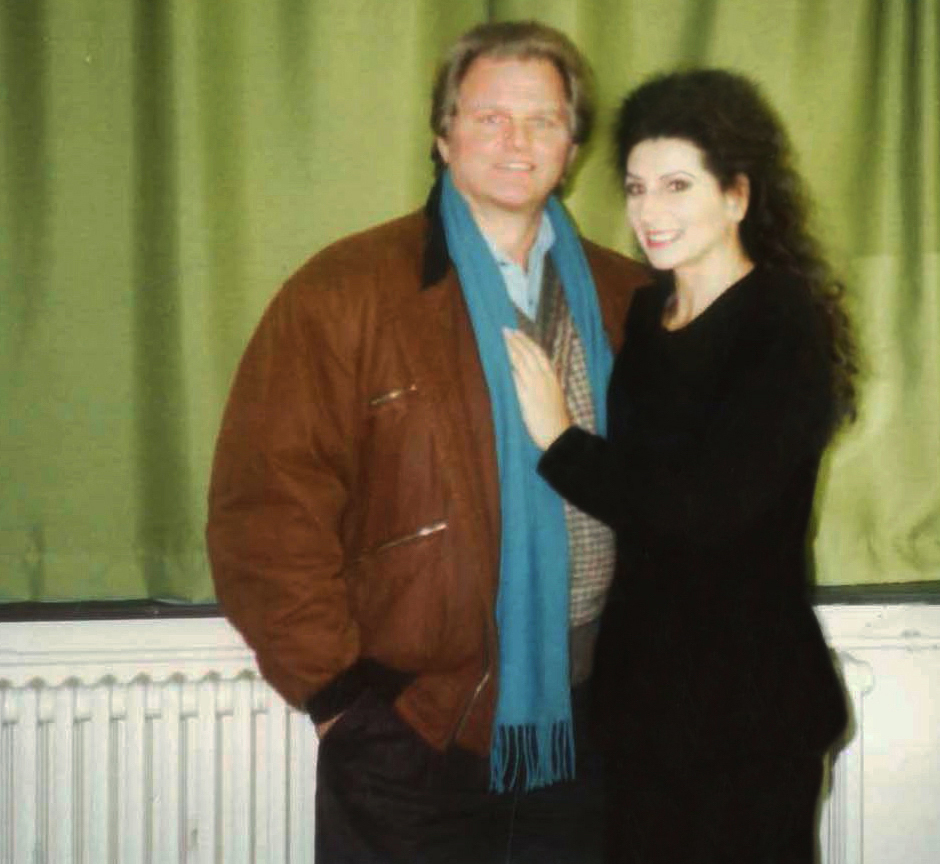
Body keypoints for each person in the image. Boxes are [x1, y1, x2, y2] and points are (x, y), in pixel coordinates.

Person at [206, 20, 649, 863]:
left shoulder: (629, 299)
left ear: (571, 148)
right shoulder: (344, 293)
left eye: (543, 121)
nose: (517, 142)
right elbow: (265, 509)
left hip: (591, 728)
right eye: (490, 118)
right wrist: (341, 699)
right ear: (443, 137)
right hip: (413, 737)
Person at [504, 68, 856, 863]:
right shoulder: (644, 313)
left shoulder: (780, 323)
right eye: (636, 188)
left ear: (737, 195)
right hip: (642, 702)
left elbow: (706, 513)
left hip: (747, 710)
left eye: (676, 186)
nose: (649, 212)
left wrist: (560, 441)